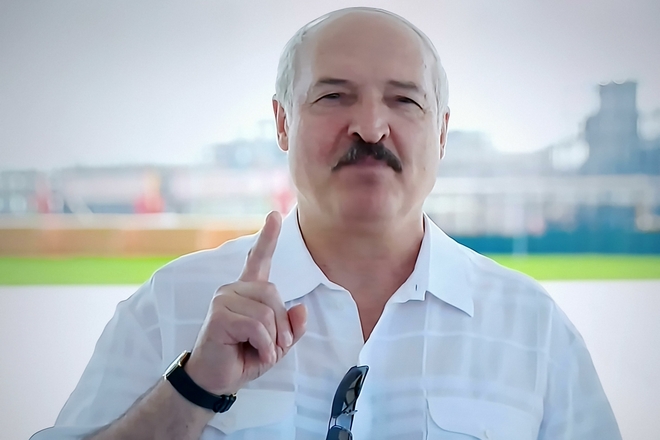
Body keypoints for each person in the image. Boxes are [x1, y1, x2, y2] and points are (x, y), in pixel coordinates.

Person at [32, 7, 621, 440]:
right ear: (282, 123)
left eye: (404, 101)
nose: (370, 127)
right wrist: (194, 388)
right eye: (334, 96)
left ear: (441, 132)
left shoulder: (533, 328)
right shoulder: (172, 306)